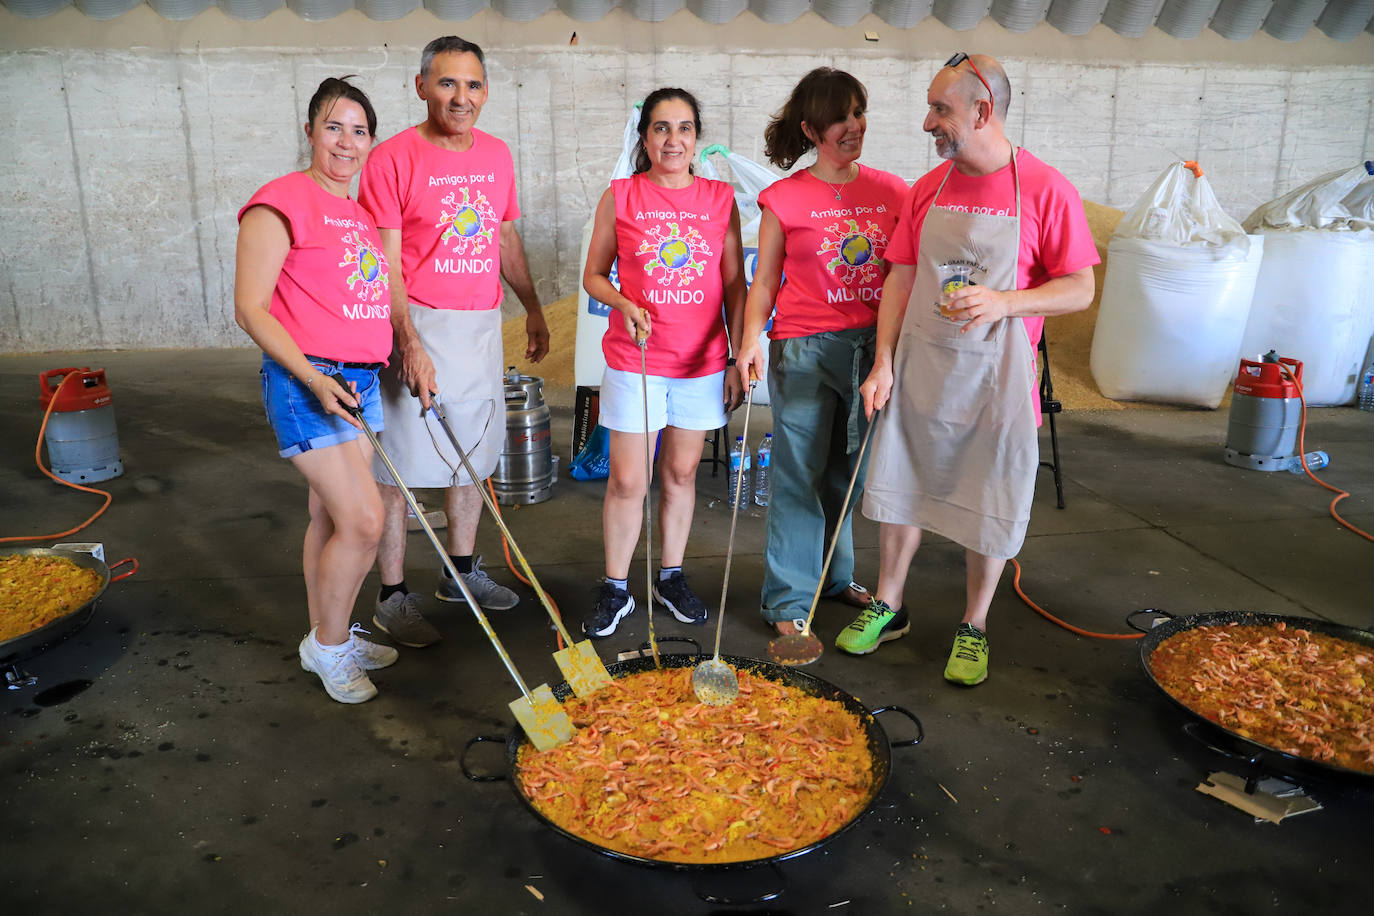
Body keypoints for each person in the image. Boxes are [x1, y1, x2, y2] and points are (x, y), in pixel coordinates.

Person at [853, 53, 1098, 683]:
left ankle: (974, 624)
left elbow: (1079, 287)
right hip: (923, 366)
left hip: (997, 378)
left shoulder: (1045, 189)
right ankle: (888, 603)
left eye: (941, 109)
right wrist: (882, 362)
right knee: (903, 481)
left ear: (982, 111)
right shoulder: (926, 190)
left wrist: (1006, 302)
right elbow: (901, 278)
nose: (927, 122)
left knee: (990, 492)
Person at [357, 36, 549, 649]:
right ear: (421, 87)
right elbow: (382, 262)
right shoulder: (391, 158)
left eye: (471, 86)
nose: (460, 97)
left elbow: (503, 236)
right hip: (417, 325)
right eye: (446, 83)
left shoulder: (495, 155)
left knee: (471, 454)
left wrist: (532, 306)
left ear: (485, 93)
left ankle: (460, 574)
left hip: (480, 326)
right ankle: (391, 595)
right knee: (400, 468)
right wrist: (406, 339)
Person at [235, 77, 397, 704]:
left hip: (360, 380)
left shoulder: (357, 215)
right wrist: (313, 378)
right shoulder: (280, 200)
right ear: (309, 131)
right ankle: (329, 649)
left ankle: (330, 634)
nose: (346, 141)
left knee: (330, 516)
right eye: (334, 127)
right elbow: (251, 308)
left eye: (359, 130)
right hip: (310, 381)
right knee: (364, 521)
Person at [734, 68, 908, 638]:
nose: (853, 126)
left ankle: (834, 577)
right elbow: (764, 283)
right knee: (799, 475)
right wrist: (749, 340)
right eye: (839, 117)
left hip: (871, 351)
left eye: (858, 112)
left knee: (850, 474)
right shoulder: (784, 199)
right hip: (804, 350)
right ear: (811, 129)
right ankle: (788, 601)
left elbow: (904, 276)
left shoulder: (892, 192)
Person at [580, 87, 747, 638]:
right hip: (637, 359)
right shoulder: (621, 196)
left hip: (701, 361)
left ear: (696, 137)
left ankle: (669, 577)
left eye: (683, 128)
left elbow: (732, 283)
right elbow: (594, 276)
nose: (672, 139)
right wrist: (624, 303)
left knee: (679, 473)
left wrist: (737, 354)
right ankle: (616, 588)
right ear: (644, 137)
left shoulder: (720, 200)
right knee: (629, 480)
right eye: (660, 128)